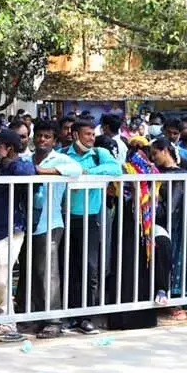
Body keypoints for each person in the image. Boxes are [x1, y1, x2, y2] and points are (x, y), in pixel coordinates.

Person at [59, 118, 123, 334]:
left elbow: (115, 168)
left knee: (90, 267)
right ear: (76, 135)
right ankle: (70, 314)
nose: (91, 138)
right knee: (69, 267)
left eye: (93, 135)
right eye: (87, 134)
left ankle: (86, 315)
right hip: (66, 216)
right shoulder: (63, 154)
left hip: (90, 217)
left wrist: (85, 173)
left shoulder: (99, 154)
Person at [19, 120, 81, 338]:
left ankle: (54, 320)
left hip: (49, 222)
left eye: (47, 137)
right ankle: (36, 316)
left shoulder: (62, 159)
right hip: (27, 223)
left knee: (49, 273)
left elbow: (76, 170)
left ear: (54, 140)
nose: (42, 140)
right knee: (32, 272)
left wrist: (42, 171)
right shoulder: (26, 158)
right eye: (39, 136)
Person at [0, 130, 34, 341]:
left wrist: (6, 161)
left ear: (9, 148)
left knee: (1, 278)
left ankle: (3, 318)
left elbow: (26, 174)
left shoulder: (21, 165)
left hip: (12, 227)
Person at [150, 138, 187, 310]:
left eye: (155, 153)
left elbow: (172, 204)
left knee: (178, 256)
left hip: (175, 222)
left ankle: (180, 298)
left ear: (165, 150)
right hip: (158, 222)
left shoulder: (179, 174)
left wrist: (154, 209)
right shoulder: (154, 171)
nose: (153, 157)